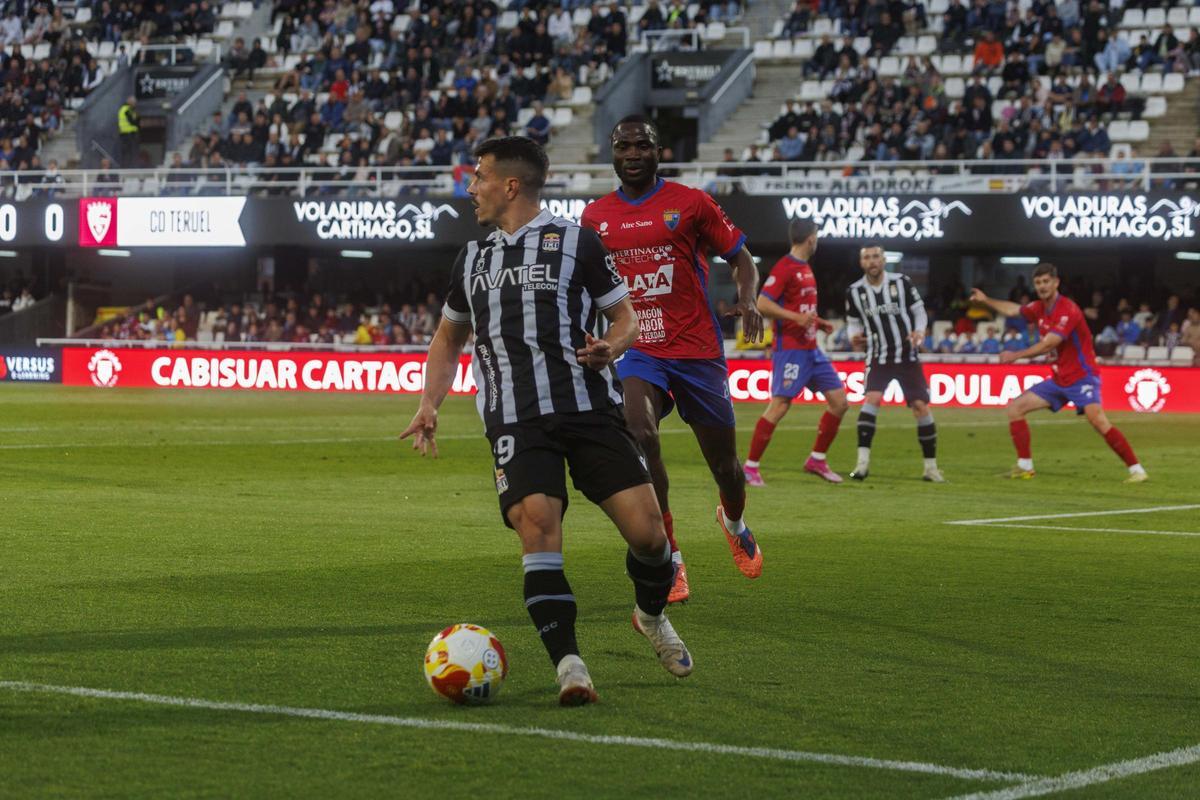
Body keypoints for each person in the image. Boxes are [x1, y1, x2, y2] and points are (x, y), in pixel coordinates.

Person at [401, 136, 691, 706]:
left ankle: (650, 614)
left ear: (510, 184)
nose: (471, 187)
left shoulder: (577, 242)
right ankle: (571, 667)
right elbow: (448, 336)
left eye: (479, 176)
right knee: (538, 529)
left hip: (589, 410)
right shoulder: (472, 256)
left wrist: (610, 346)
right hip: (516, 421)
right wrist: (429, 401)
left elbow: (626, 318)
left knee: (651, 537)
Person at [580, 116, 765, 604]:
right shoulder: (594, 217)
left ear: (659, 151)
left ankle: (733, 520)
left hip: (697, 350)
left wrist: (748, 301)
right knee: (638, 432)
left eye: (644, 145)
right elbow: (584, 285)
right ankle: (671, 556)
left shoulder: (691, 202)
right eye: (625, 146)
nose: (634, 153)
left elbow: (743, 259)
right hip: (638, 346)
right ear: (613, 153)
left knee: (726, 467)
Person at [970, 264, 1147, 482]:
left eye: (1046, 282)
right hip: (1059, 380)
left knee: (1098, 421)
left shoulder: (1068, 310)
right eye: (1038, 283)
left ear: (1056, 283)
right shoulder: (1038, 308)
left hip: (1082, 376)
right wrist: (986, 299)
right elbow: (1014, 309)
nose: (1042, 286)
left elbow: (1048, 344)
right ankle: (1025, 466)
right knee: (1016, 408)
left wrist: (1016, 355)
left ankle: (1137, 470)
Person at [742, 219, 848, 486]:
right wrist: (795, 318)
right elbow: (763, 303)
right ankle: (750, 467)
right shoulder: (786, 267)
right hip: (791, 349)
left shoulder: (805, 268)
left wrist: (817, 321)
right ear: (811, 238)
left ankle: (817, 459)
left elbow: (800, 311)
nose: (817, 240)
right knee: (779, 406)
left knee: (840, 402)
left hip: (812, 349)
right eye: (817, 236)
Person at [844, 245, 944, 482]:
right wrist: (853, 336)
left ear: (884, 259)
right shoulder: (854, 291)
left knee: (921, 406)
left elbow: (919, 311)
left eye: (876, 256)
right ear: (862, 263)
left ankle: (931, 468)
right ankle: (862, 464)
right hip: (878, 356)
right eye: (867, 257)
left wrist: (920, 331)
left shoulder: (902, 282)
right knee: (872, 399)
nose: (872, 261)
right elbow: (852, 322)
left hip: (907, 356)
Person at [117, 95, 139, 167]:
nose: (135, 104)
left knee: (126, 152)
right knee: (130, 153)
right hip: (129, 134)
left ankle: (127, 166)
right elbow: (133, 121)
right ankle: (130, 167)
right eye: (134, 103)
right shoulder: (127, 110)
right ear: (130, 102)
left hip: (125, 134)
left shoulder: (123, 109)